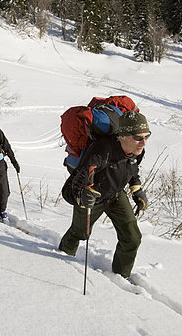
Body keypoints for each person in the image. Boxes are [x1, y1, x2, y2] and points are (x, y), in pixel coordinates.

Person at [59, 111, 151, 279]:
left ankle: (121, 277)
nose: (143, 142)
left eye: (147, 136)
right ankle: (60, 260)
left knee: (132, 237)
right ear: (122, 136)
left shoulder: (138, 150)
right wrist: (81, 197)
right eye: (138, 137)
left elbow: (132, 169)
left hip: (116, 195)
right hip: (93, 199)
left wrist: (136, 189)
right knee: (80, 233)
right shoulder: (101, 151)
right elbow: (70, 189)